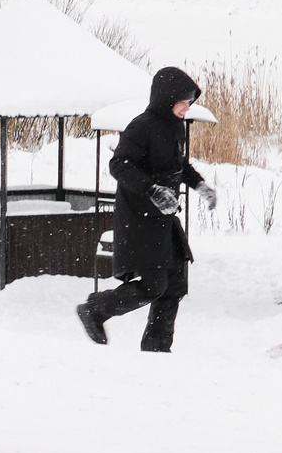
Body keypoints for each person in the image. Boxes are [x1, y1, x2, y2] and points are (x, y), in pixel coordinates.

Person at [77, 66, 215, 353]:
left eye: (190, 102)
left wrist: (199, 185)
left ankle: (156, 349)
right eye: (183, 101)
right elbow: (119, 165)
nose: (187, 107)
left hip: (164, 219)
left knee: (175, 284)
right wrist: (152, 190)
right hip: (139, 221)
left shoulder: (175, 127)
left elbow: (178, 166)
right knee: (153, 285)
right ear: (167, 98)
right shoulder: (142, 126)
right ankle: (95, 309)